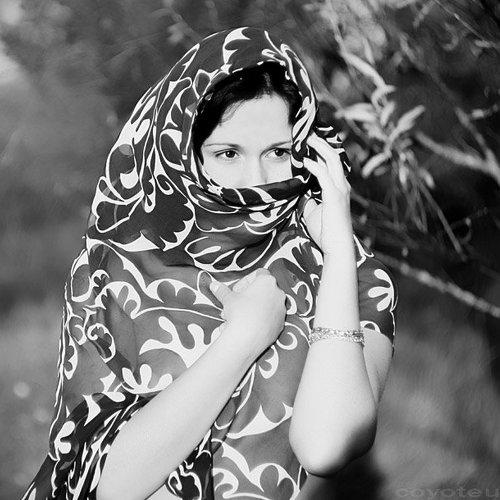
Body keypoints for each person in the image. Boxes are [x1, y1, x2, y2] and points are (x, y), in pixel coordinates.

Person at [20, 26, 397, 500]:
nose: (255, 178)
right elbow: (101, 484)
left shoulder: (356, 279)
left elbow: (326, 447)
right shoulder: (111, 270)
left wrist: (339, 252)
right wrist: (244, 338)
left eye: (278, 152)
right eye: (228, 153)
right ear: (182, 151)